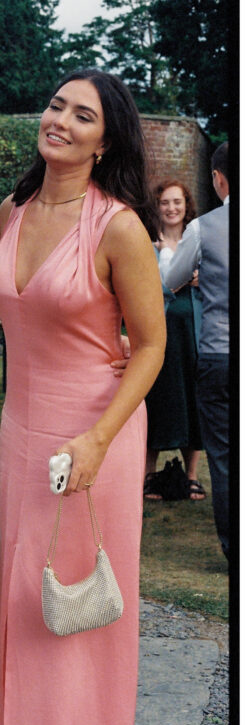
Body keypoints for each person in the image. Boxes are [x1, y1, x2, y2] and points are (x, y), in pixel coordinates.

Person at [0, 69, 166, 725]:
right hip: (21, 427)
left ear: (104, 141)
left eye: (82, 115)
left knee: (83, 602)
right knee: (26, 601)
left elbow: (150, 347)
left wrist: (98, 440)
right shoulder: (13, 210)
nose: (60, 121)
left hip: (94, 431)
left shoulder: (118, 227)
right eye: (55, 105)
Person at [164, 143, 229, 559]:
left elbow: (171, 279)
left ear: (218, 178)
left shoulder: (204, 228)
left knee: (223, 456)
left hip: (220, 354)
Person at [143, 180, 204, 501]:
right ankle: (149, 476)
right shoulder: (146, 245)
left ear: (186, 205)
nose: (171, 208)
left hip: (193, 334)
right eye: (165, 202)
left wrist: (203, 278)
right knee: (156, 400)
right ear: (157, 207)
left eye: (177, 202)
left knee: (192, 402)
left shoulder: (199, 242)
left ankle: (192, 477)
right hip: (158, 336)